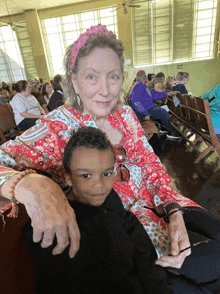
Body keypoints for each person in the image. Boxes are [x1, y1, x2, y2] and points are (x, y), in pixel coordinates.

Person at [1, 24, 220, 293]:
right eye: (92, 76)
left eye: (113, 76)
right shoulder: (56, 127)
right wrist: (33, 186)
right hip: (130, 237)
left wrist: (174, 210)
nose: (105, 90)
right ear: (74, 80)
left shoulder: (126, 115)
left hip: (165, 205)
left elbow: (151, 165)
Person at [22, 126, 171, 294]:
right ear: (68, 177)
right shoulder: (55, 230)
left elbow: (128, 225)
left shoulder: (109, 197)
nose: (99, 186)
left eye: (106, 174)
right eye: (86, 176)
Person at [129, 70, 180, 139]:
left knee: (161, 109)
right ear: (144, 78)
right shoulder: (138, 87)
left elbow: (154, 94)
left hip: (147, 108)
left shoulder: (142, 86)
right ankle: (171, 132)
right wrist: (145, 114)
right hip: (143, 112)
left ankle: (164, 129)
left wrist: (167, 93)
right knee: (162, 112)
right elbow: (136, 103)